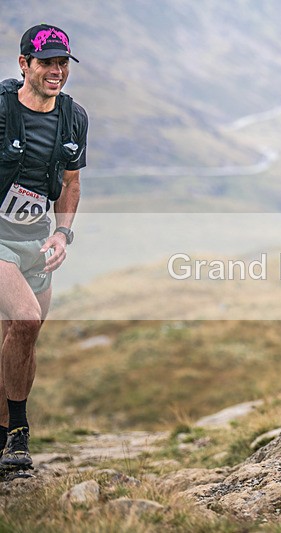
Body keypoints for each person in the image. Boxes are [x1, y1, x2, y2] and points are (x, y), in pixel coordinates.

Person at [0, 24, 88, 470]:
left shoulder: (73, 118)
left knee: (19, 344)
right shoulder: (1, 110)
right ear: (24, 64)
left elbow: (71, 183)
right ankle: (20, 433)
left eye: (62, 63)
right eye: (46, 62)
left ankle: (3, 442)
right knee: (26, 318)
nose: (56, 71)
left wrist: (61, 233)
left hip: (37, 241)